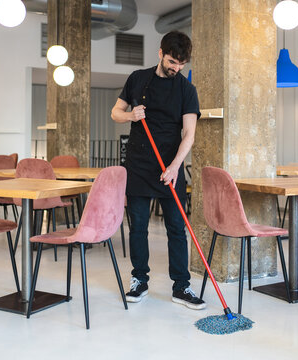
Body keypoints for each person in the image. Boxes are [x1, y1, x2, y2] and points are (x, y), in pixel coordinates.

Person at [111, 31, 205, 310]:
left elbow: (189, 134)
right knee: (138, 227)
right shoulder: (137, 79)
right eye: (172, 61)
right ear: (160, 52)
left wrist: (176, 167)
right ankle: (139, 280)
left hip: (170, 167)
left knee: (176, 228)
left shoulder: (187, 90)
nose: (176, 68)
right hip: (139, 165)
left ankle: (181, 287)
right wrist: (130, 115)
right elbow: (115, 112)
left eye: (181, 64)